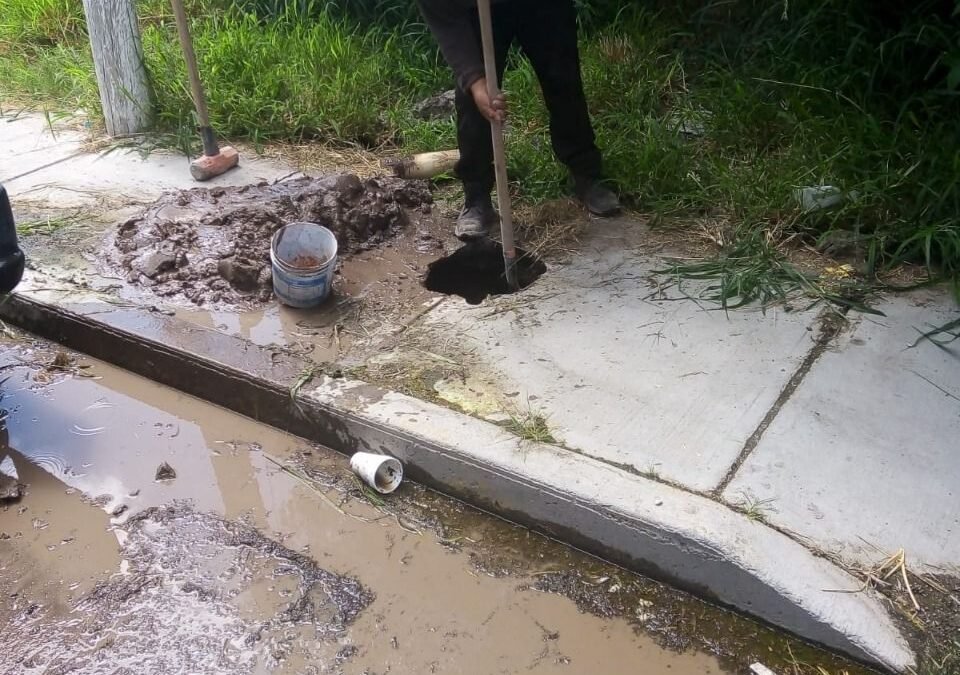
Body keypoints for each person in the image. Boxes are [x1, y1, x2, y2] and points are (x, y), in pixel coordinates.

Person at [417, 0, 621, 240]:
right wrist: (475, 81)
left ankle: (586, 173)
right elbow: (446, 20)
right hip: (479, 10)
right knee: (474, 100)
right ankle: (476, 195)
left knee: (562, 78)